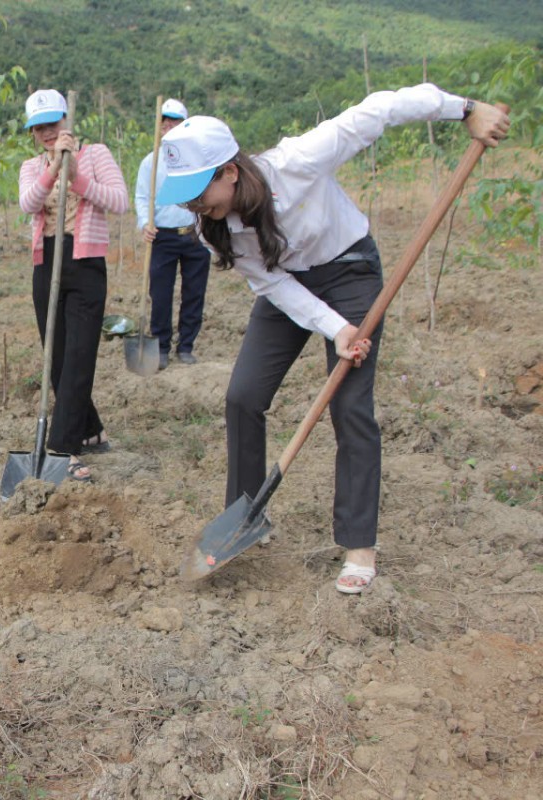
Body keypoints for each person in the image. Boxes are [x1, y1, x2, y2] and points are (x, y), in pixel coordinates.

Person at [153, 84, 510, 593]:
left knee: (350, 407)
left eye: (197, 189)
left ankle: (359, 545)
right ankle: (245, 515)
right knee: (243, 396)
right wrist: (334, 328)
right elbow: (273, 285)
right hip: (290, 286)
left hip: (349, 272)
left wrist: (468, 110)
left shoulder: (300, 159)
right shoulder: (219, 228)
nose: (191, 203)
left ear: (230, 171)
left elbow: (380, 109)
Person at [18, 89, 129, 482]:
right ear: (33, 132)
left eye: (54, 124)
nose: (48, 132)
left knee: (80, 356)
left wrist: (77, 176)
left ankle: (63, 449)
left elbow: (119, 201)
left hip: (85, 264)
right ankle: (90, 428)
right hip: (45, 263)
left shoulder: (96, 154)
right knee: (59, 359)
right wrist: (52, 171)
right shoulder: (31, 167)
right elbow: (28, 204)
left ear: (66, 121)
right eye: (40, 127)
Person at [136, 98, 212, 369]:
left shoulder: (198, 161)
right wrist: (145, 222)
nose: (167, 126)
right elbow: (143, 197)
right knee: (161, 293)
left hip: (195, 234)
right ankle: (162, 346)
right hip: (163, 237)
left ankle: (187, 345)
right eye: (163, 122)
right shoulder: (151, 163)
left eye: (174, 121)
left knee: (194, 292)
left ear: (185, 125)